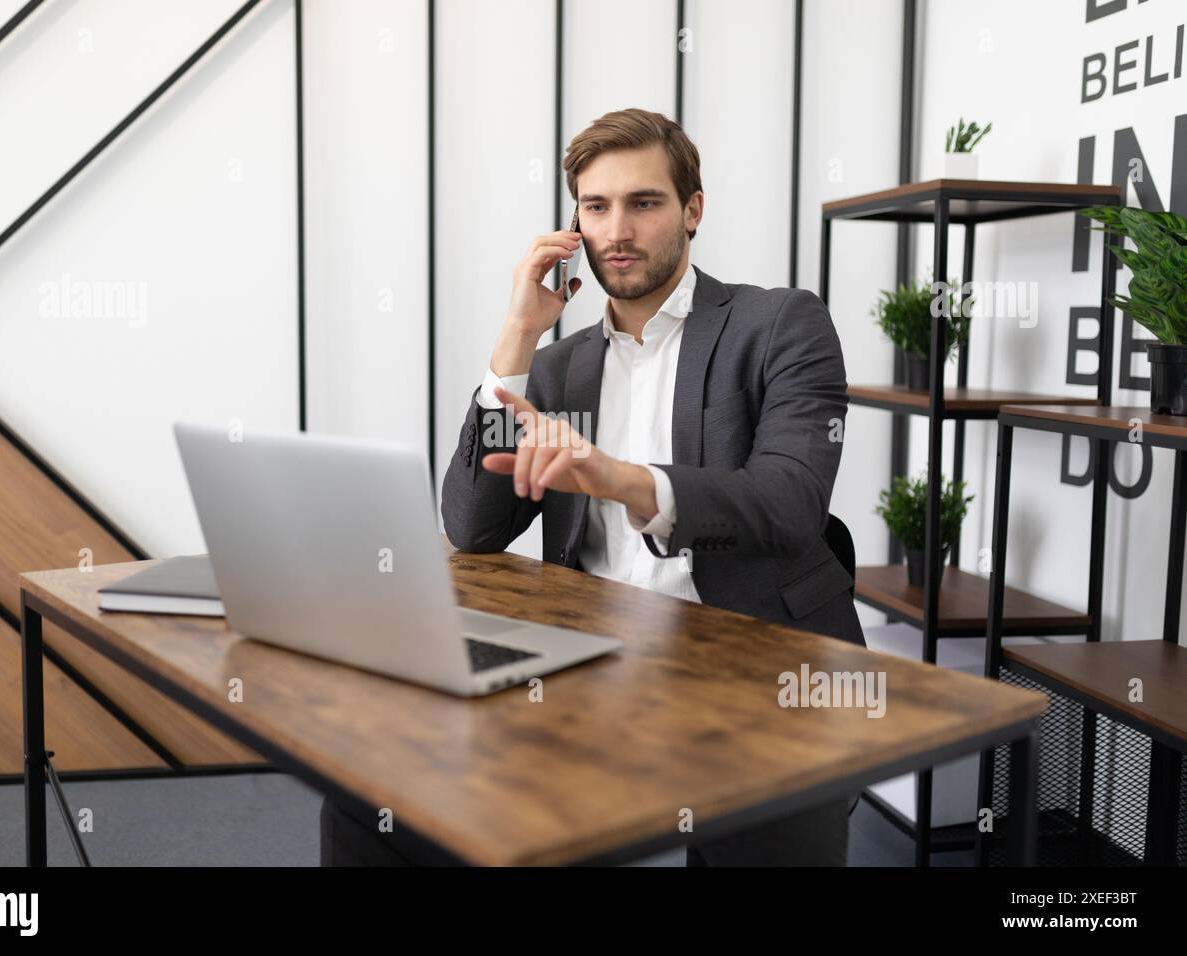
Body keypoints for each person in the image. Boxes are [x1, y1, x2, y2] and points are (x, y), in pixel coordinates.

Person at [323, 107, 862, 867]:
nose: (618, 230)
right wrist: (516, 336)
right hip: (594, 668)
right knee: (370, 798)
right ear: (574, 222)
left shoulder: (777, 325)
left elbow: (790, 501)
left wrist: (620, 479)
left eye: (644, 203)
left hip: (754, 668)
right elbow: (474, 525)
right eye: (596, 207)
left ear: (692, 210)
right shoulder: (559, 366)